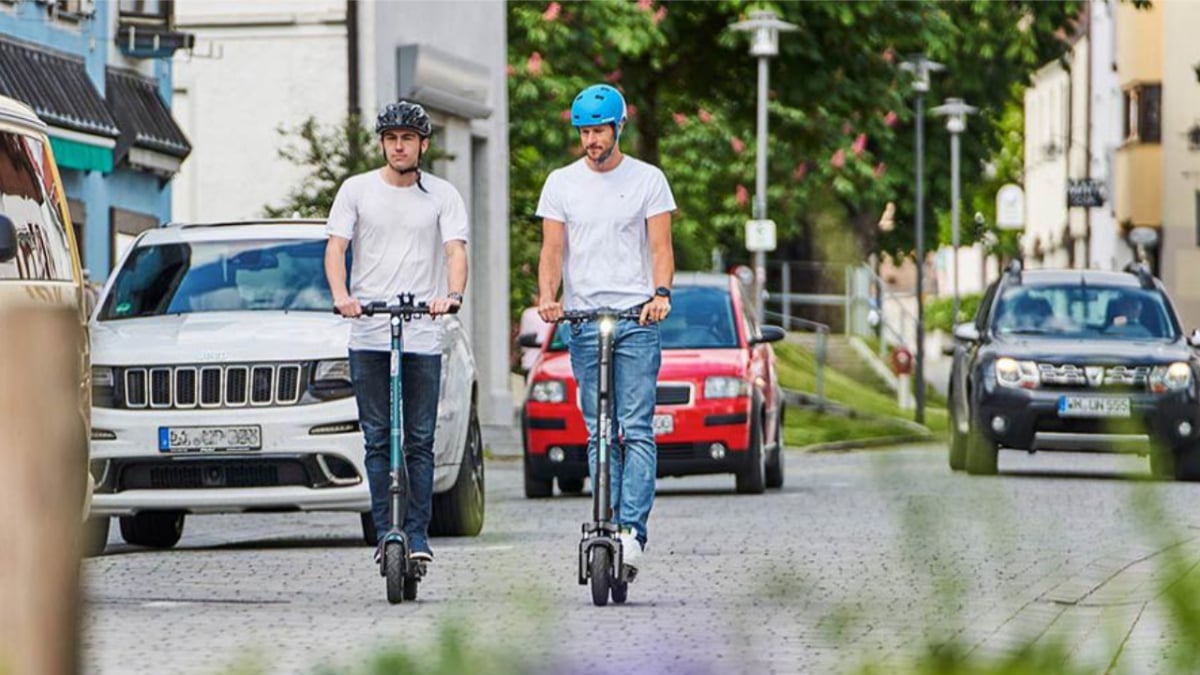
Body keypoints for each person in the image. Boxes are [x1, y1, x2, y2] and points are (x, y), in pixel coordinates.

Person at [535, 83, 676, 576]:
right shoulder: (561, 183)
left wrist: (660, 295)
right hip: (584, 321)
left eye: (598, 131)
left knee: (635, 428)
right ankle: (607, 518)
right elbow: (552, 250)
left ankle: (631, 531)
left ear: (619, 128)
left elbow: (660, 247)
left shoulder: (648, 180)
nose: (591, 141)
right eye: (584, 132)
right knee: (598, 430)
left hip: (636, 318)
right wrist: (549, 299)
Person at [324, 100, 469, 565]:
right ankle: (387, 530)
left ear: (423, 144)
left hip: (422, 332)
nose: (399, 146)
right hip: (368, 331)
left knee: (419, 438)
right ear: (383, 143)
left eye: (407, 138)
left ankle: (418, 534)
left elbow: (455, 251)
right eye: (391, 138)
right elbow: (336, 248)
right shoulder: (356, 190)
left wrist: (452, 295)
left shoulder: (442, 195)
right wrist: (343, 295)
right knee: (377, 437)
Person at [518, 292, 552, 374]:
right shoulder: (556, 313)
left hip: (531, 361)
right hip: (552, 362)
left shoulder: (529, 313)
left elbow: (523, 336)